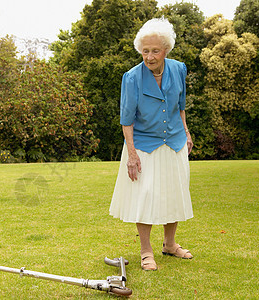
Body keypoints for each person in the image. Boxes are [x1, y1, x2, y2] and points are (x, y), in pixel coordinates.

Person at [109, 17, 194, 271]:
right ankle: (146, 251)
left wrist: (187, 133)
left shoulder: (179, 69)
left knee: (174, 193)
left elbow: (181, 107)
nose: (149, 56)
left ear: (166, 49)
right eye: (145, 51)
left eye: (155, 51)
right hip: (144, 145)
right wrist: (132, 155)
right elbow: (126, 120)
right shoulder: (132, 78)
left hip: (175, 142)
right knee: (145, 197)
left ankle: (170, 245)